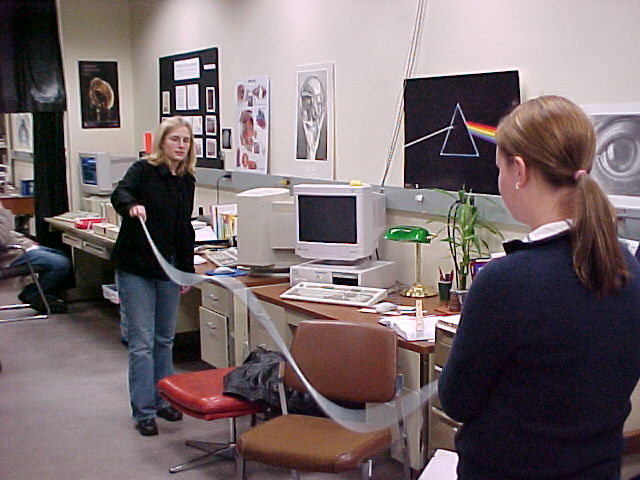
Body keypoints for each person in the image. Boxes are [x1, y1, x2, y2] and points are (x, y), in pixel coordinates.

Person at [438, 95, 640, 480]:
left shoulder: (506, 282)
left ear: (518, 170)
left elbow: (457, 402)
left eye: (499, 167)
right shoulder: (627, 268)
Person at [111, 116, 196, 436]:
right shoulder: (143, 170)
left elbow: (184, 228)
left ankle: (164, 400)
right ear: (162, 142)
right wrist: (131, 206)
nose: (180, 145)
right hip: (137, 268)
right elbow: (120, 194)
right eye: (175, 139)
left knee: (164, 339)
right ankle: (144, 410)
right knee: (142, 342)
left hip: (167, 268)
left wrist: (185, 271)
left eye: (185, 140)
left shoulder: (186, 180)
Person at [0, 201, 70, 313]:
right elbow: (2, 238)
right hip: (8, 255)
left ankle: (44, 297)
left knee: (59, 253)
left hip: (13, 247)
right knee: (60, 263)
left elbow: (7, 233)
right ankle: (31, 294)